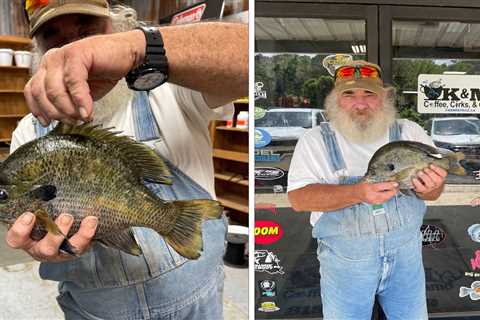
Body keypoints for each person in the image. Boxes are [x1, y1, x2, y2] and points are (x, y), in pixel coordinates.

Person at [5, 1, 247, 319]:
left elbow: (249, 59)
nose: (73, 48)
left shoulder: (172, 86)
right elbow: (37, 227)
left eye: (87, 29)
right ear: (39, 51)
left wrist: (138, 48)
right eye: (53, 36)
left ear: (117, 26)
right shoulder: (29, 132)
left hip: (195, 304)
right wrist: (43, 245)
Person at [287, 60, 447, 320]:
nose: (360, 104)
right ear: (335, 99)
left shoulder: (409, 131)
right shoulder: (314, 141)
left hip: (406, 259)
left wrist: (433, 187)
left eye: (369, 94)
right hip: (346, 265)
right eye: (348, 94)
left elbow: (433, 193)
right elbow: (297, 199)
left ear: (383, 98)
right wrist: (357, 193)